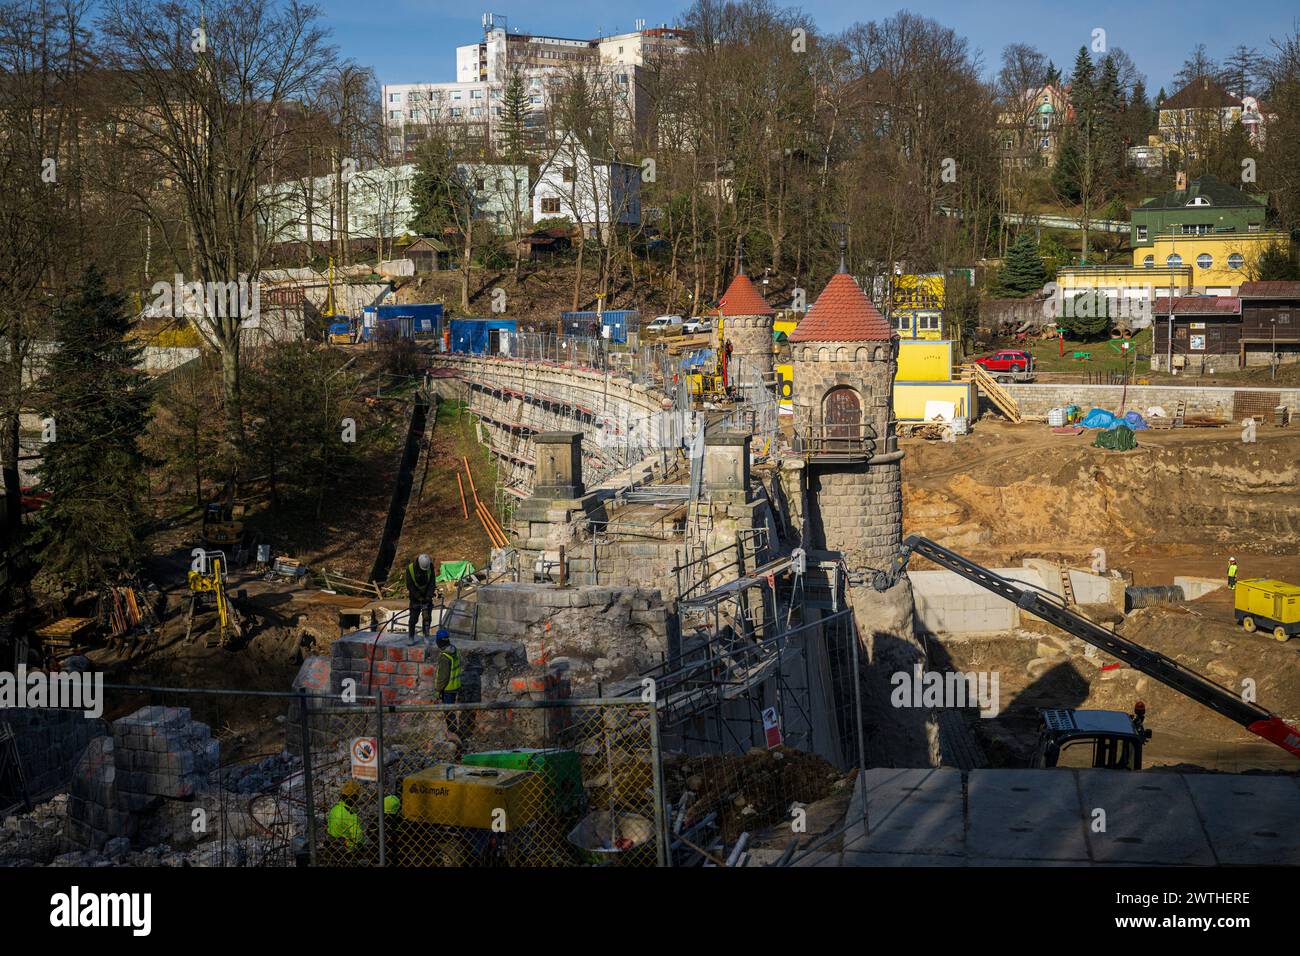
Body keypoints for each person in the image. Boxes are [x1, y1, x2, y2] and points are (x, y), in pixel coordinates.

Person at [327, 780, 366, 862]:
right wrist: (361, 845)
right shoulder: (351, 815)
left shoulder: (334, 809)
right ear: (354, 797)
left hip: (333, 845)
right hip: (347, 849)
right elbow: (358, 837)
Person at [435, 629, 463, 738]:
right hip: (455, 686)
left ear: (439, 642)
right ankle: (452, 732)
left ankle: (453, 734)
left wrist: (438, 690)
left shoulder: (445, 657)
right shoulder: (454, 650)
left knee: (448, 712)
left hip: (447, 689)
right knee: (450, 711)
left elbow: (443, 677)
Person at [406, 553, 436, 639]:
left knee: (427, 618)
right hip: (415, 597)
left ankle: (426, 636)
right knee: (413, 619)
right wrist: (418, 597)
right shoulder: (410, 569)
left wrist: (428, 596)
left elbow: (432, 583)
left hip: (427, 596)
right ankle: (411, 637)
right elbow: (410, 585)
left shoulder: (430, 567)